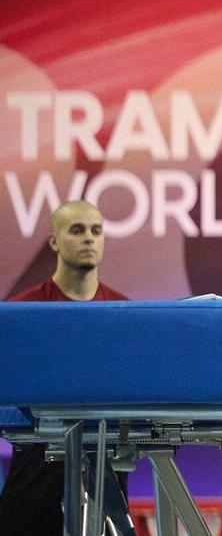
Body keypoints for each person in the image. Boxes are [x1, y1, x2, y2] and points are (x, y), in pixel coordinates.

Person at [0, 201, 133, 536]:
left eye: (96, 230)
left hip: (105, 455)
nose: (88, 238)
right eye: (77, 230)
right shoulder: (21, 313)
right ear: (54, 241)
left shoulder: (126, 315)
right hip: (37, 456)